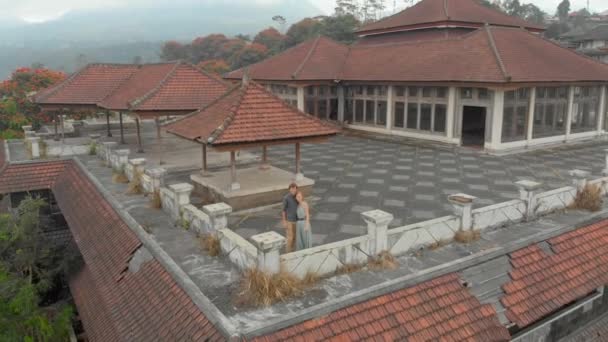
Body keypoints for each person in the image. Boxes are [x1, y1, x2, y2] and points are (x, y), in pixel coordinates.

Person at [282, 183, 298, 252]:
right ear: (289, 190)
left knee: (295, 237)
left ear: (296, 189)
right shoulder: (286, 198)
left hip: (296, 220)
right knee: (290, 237)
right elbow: (283, 211)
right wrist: (284, 221)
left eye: (294, 189)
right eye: (291, 189)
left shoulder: (298, 196)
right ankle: (287, 252)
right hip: (289, 220)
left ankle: (292, 250)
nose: (293, 191)